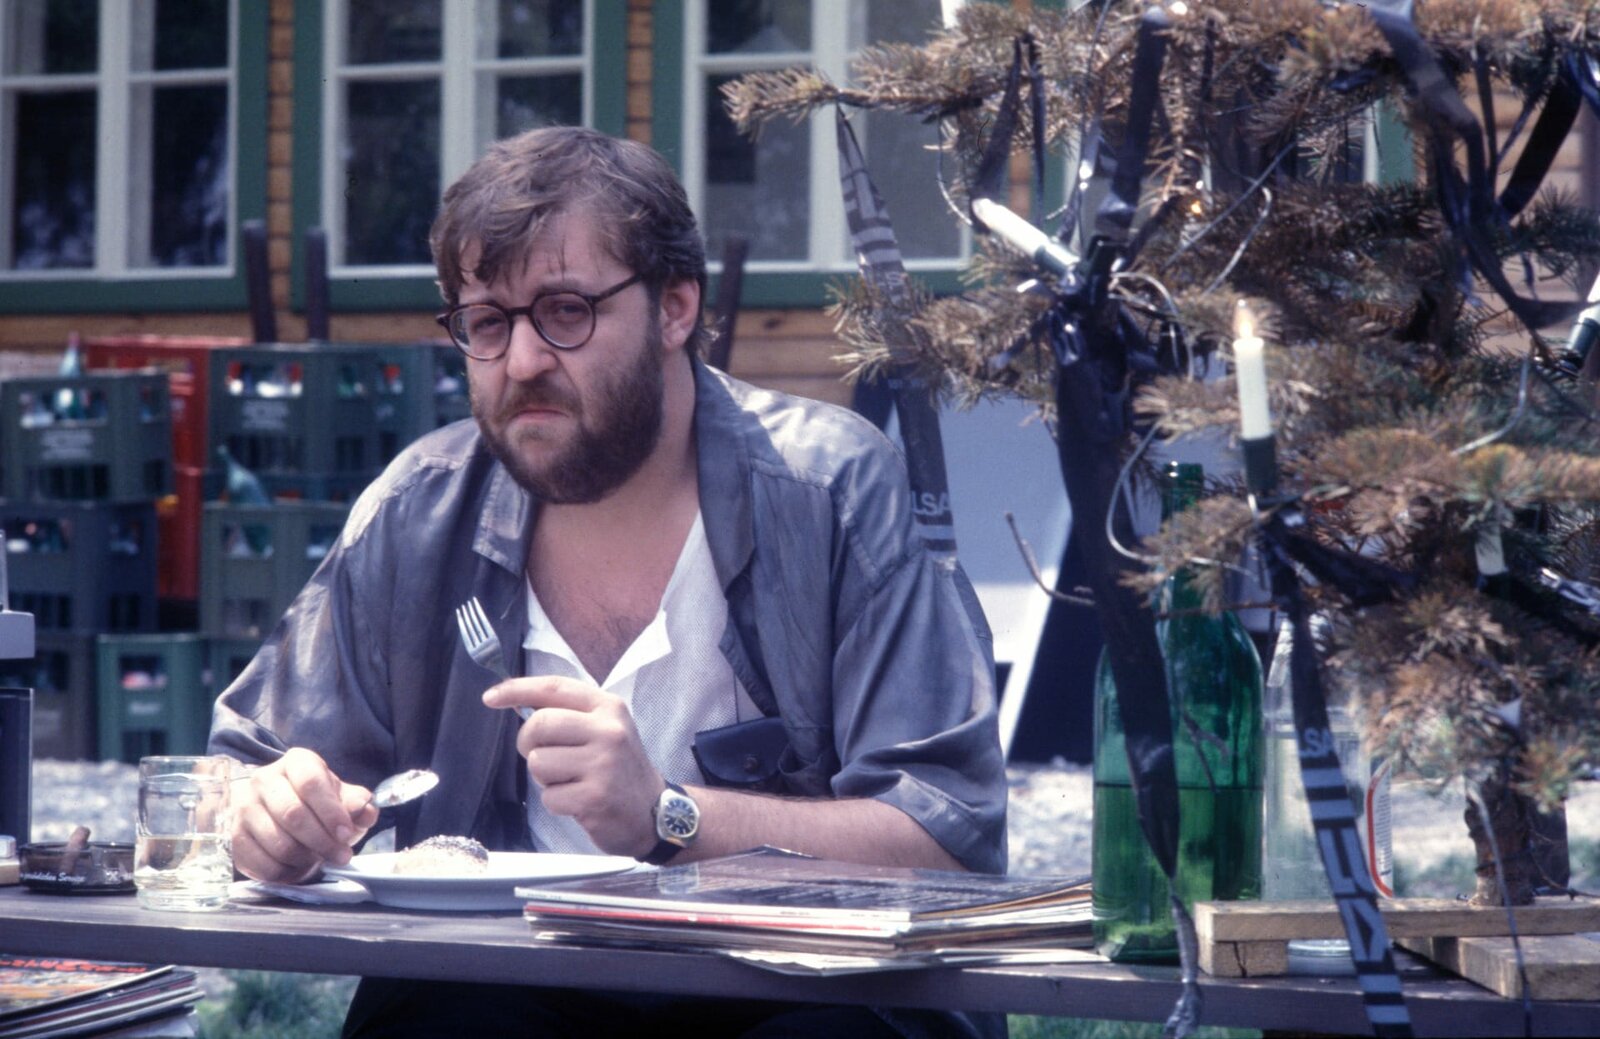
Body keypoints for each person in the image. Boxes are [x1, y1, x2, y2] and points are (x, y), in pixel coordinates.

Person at [209, 125, 1007, 1039]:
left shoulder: (829, 489)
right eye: (487, 323)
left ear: (675, 308)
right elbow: (235, 768)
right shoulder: (417, 510)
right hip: (513, 976)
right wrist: (264, 812)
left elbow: (948, 837)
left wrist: (670, 814)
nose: (522, 361)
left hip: (795, 980)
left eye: (566, 311)